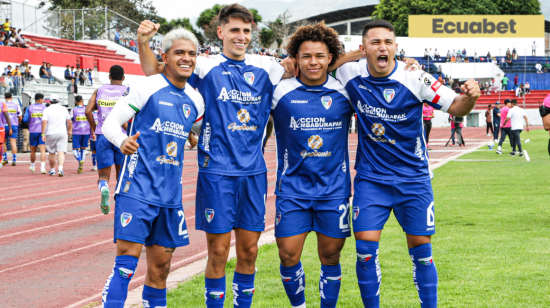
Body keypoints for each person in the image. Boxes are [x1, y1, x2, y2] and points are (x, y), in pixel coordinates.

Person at [136, 5, 403, 307]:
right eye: (235, 30)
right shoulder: (204, 64)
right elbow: (154, 72)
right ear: (220, 32)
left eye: (246, 31)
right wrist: (144, 42)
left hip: (255, 174)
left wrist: (360, 55)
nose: (241, 36)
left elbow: (314, 65)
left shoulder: (268, 67)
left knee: (250, 253)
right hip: (217, 173)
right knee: (220, 253)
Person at [332, 19, 479, 308]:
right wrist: (350, 56)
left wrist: (470, 97)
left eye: (388, 42)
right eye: (375, 43)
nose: (382, 47)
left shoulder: (416, 76)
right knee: (364, 251)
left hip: (413, 180)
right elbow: (318, 65)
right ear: (364, 49)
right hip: (371, 180)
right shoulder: (350, 72)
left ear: (396, 47)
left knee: (422, 252)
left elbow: (457, 106)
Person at [95, 25, 206, 307]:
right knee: (125, 267)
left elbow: (185, 126)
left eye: (192, 53)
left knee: (160, 271)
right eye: (179, 52)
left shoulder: (196, 99)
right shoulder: (147, 86)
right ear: (165, 57)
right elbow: (109, 123)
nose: (186, 58)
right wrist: (121, 141)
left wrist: (190, 136)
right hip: (137, 188)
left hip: (170, 196)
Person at [269, 23, 355, 308]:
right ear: (296, 58)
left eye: (320, 55)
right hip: (292, 189)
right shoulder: (279, 91)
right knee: (288, 256)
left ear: (330, 58)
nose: (313, 62)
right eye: (306, 56)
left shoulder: (345, 91)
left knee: (330, 257)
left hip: (334, 190)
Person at [85, 65, 128, 214]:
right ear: (123, 78)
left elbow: (87, 110)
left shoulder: (99, 90)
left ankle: (104, 188)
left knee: (103, 176)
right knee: (122, 176)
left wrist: (95, 127)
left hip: (103, 135)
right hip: (122, 138)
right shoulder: (127, 91)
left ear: (109, 77)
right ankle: (121, 206)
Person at [41, 94, 72, 176]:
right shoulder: (64, 109)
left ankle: (52, 170)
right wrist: (69, 130)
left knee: (51, 153)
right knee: (61, 152)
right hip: (62, 132)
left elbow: (44, 122)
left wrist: (43, 134)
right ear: (58, 101)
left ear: (50, 101)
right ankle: (60, 169)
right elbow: (69, 121)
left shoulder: (46, 110)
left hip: (50, 132)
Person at [23, 93, 47, 173]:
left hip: (33, 131)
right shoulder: (45, 108)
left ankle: (32, 167)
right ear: (40, 99)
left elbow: (25, 120)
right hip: (42, 131)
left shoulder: (29, 108)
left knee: (33, 150)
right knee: (42, 150)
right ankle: (42, 168)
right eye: (42, 99)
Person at [70, 95, 90, 174]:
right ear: (82, 100)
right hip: (86, 132)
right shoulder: (86, 110)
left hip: (77, 132)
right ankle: (81, 164)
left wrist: (70, 130)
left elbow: (70, 120)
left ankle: (79, 160)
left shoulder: (73, 110)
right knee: (83, 149)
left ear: (75, 102)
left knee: (75, 149)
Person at [1, 93, 21, 166]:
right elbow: (20, 117)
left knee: (3, 142)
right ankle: (14, 160)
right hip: (14, 125)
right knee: (13, 143)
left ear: (5, 97)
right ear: (11, 97)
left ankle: (5, 159)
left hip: (4, 125)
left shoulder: (2, 105)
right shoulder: (16, 105)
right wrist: (17, 123)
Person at [0, 99, 12, 171]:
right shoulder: (2, 104)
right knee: (1, 144)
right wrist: (10, 127)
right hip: (1, 127)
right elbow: (7, 115)